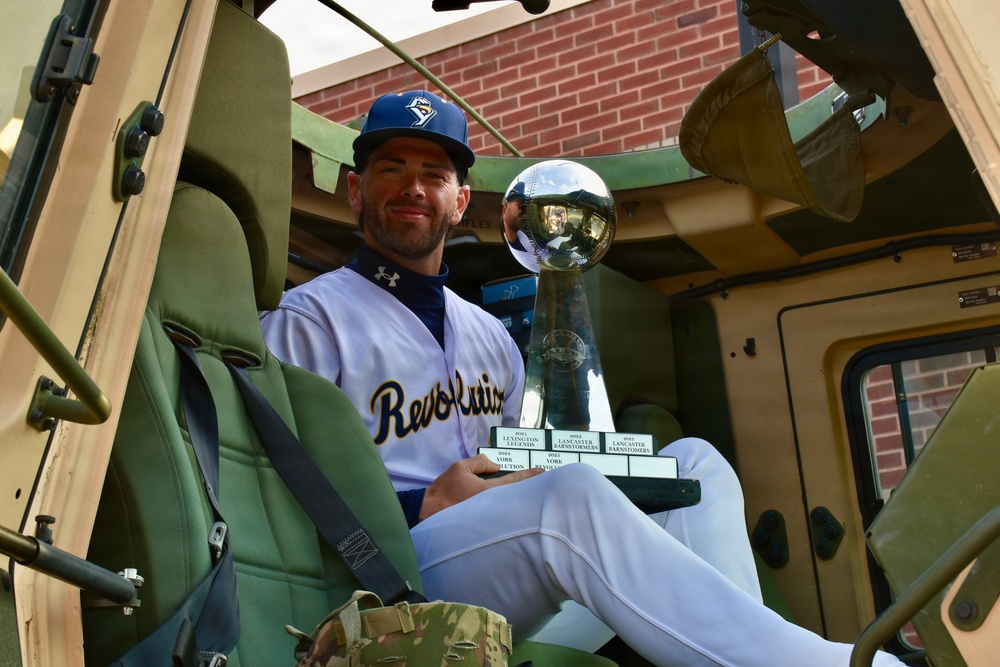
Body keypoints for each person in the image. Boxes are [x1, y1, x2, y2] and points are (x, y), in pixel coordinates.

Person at [260, 90, 903, 667]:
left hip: (497, 571)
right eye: (390, 169)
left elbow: (523, 466)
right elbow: (273, 488)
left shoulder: (490, 334)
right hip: (387, 576)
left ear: (459, 201)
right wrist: (419, 502)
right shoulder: (308, 319)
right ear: (354, 190)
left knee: (695, 466)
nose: (412, 187)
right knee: (566, 500)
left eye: (434, 173)